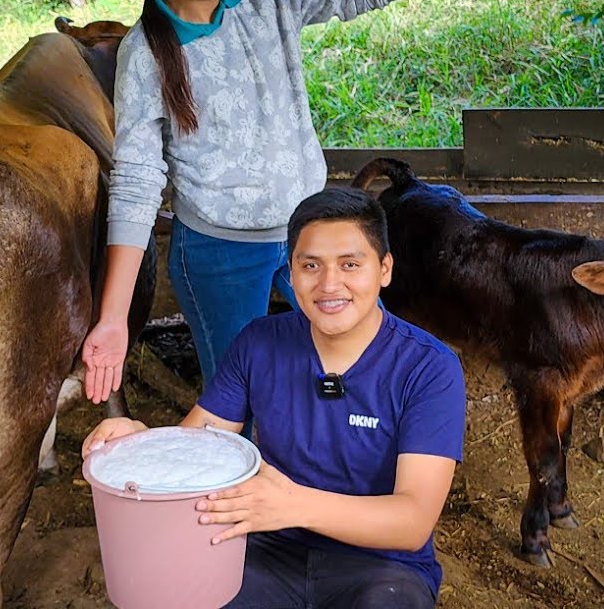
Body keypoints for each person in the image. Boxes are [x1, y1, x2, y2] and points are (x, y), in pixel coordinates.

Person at [81, 0, 570, 405]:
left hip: (310, 235)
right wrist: (113, 319)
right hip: (220, 251)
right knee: (242, 398)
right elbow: (136, 182)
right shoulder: (145, 52)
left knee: (349, 371)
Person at [82, 187, 466, 608]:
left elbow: (412, 521)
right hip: (267, 548)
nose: (329, 284)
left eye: (350, 264)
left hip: (382, 565)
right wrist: (142, 445)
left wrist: (294, 505)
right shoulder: (260, 343)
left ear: (384, 269)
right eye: (310, 265)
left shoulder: (429, 367)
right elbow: (196, 443)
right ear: (292, 270)